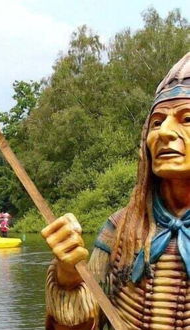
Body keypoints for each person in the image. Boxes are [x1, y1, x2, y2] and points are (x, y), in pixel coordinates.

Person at [41, 52, 190, 329]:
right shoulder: (120, 229)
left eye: (187, 118)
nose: (164, 132)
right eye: (157, 122)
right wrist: (69, 277)